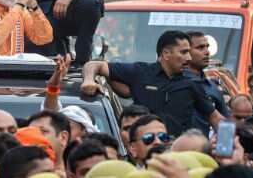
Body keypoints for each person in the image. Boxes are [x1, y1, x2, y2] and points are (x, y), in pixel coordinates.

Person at [81, 31, 223, 136]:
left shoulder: (192, 84)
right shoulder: (140, 72)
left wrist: (226, 148)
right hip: (144, 153)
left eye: (189, 52)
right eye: (184, 52)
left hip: (178, 156)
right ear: (166, 54)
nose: (189, 58)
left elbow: (215, 118)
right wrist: (88, 81)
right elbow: (94, 65)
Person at [184, 31, 230, 133]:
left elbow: (224, 124)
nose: (207, 52)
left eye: (207, 47)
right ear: (185, 52)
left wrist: (223, 146)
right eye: (200, 48)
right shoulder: (174, 83)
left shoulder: (213, 87)